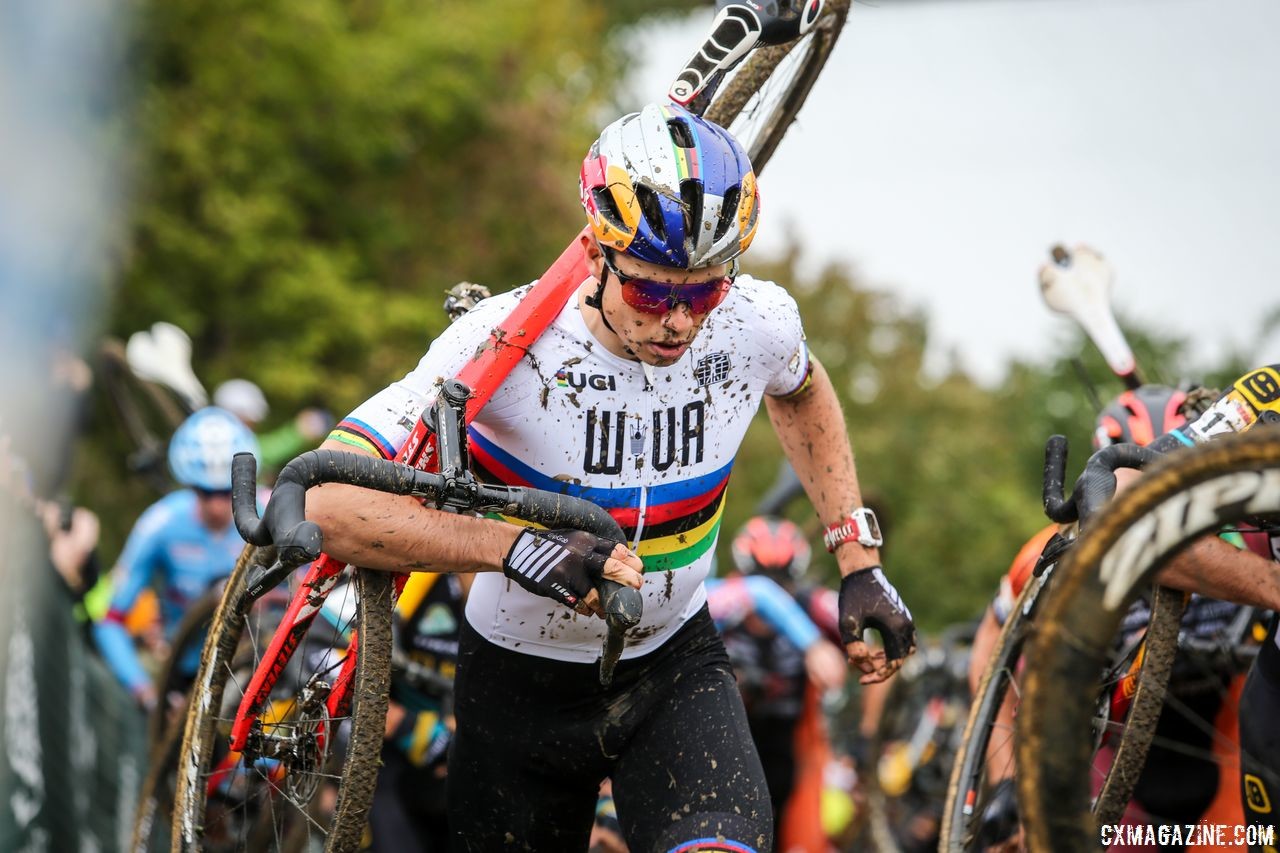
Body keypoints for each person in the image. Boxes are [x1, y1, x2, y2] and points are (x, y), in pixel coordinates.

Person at [306, 101, 916, 852]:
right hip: (516, 687)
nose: (679, 322)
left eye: (702, 291)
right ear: (596, 254)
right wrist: (508, 546)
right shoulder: (503, 345)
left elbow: (802, 388)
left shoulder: (754, 321)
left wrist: (857, 557)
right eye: (654, 291)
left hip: (673, 668)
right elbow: (328, 501)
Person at [93, 405, 259, 710]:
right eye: (204, 492)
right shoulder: (160, 524)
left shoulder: (271, 509)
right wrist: (144, 690)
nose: (217, 506)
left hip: (258, 663)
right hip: (183, 672)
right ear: (188, 484)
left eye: (228, 491)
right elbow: (110, 621)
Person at [706, 516, 846, 851]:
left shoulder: (811, 605)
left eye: (784, 584)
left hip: (785, 741)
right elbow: (757, 593)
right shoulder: (726, 600)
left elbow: (866, 629)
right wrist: (813, 645)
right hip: (726, 738)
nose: (775, 595)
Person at [213, 377, 332, 472]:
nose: (252, 429)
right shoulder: (220, 448)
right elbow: (263, 451)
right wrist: (298, 431)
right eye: (249, 422)